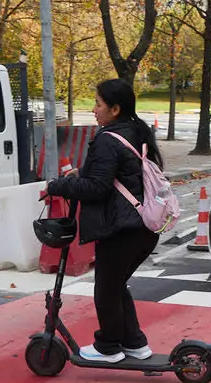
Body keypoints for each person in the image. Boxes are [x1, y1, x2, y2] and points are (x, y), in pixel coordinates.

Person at [46, 79, 163, 364]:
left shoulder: (108, 138)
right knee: (115, 284)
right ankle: (134, 343)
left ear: (114, 108)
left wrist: (56, 186)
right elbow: (120, 170)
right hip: (144, 227)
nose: (93, 109)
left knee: (107, 288)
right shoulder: (135, 130)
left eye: (98, 104)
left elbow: (98, 188)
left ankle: (109, 346)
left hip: (122, 229)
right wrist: (81, 172)